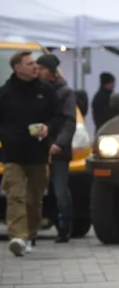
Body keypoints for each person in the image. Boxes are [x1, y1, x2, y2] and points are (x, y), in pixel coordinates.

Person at [1, 51, 61, 256]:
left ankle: (30, 234)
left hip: (38, 153)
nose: (36, 66)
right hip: (12, 154)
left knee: (34, 200)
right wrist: (7, 137)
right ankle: (18, 236)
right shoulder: (5, 93)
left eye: (35, 62)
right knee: (15, 195)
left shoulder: (46, 90)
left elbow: (57, 116)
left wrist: (48, 128)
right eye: (30, 63)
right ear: (17, 68)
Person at [36, 54, 78, 243]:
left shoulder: (65, 92)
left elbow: (70, 121)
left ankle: (64, 227)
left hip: (58, 148)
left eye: (42, 68)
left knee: (60, 190)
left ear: (51, 70)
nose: (39, 71)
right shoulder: (38, 89)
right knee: (38, 189)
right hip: (39, 146)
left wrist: (59, 143)